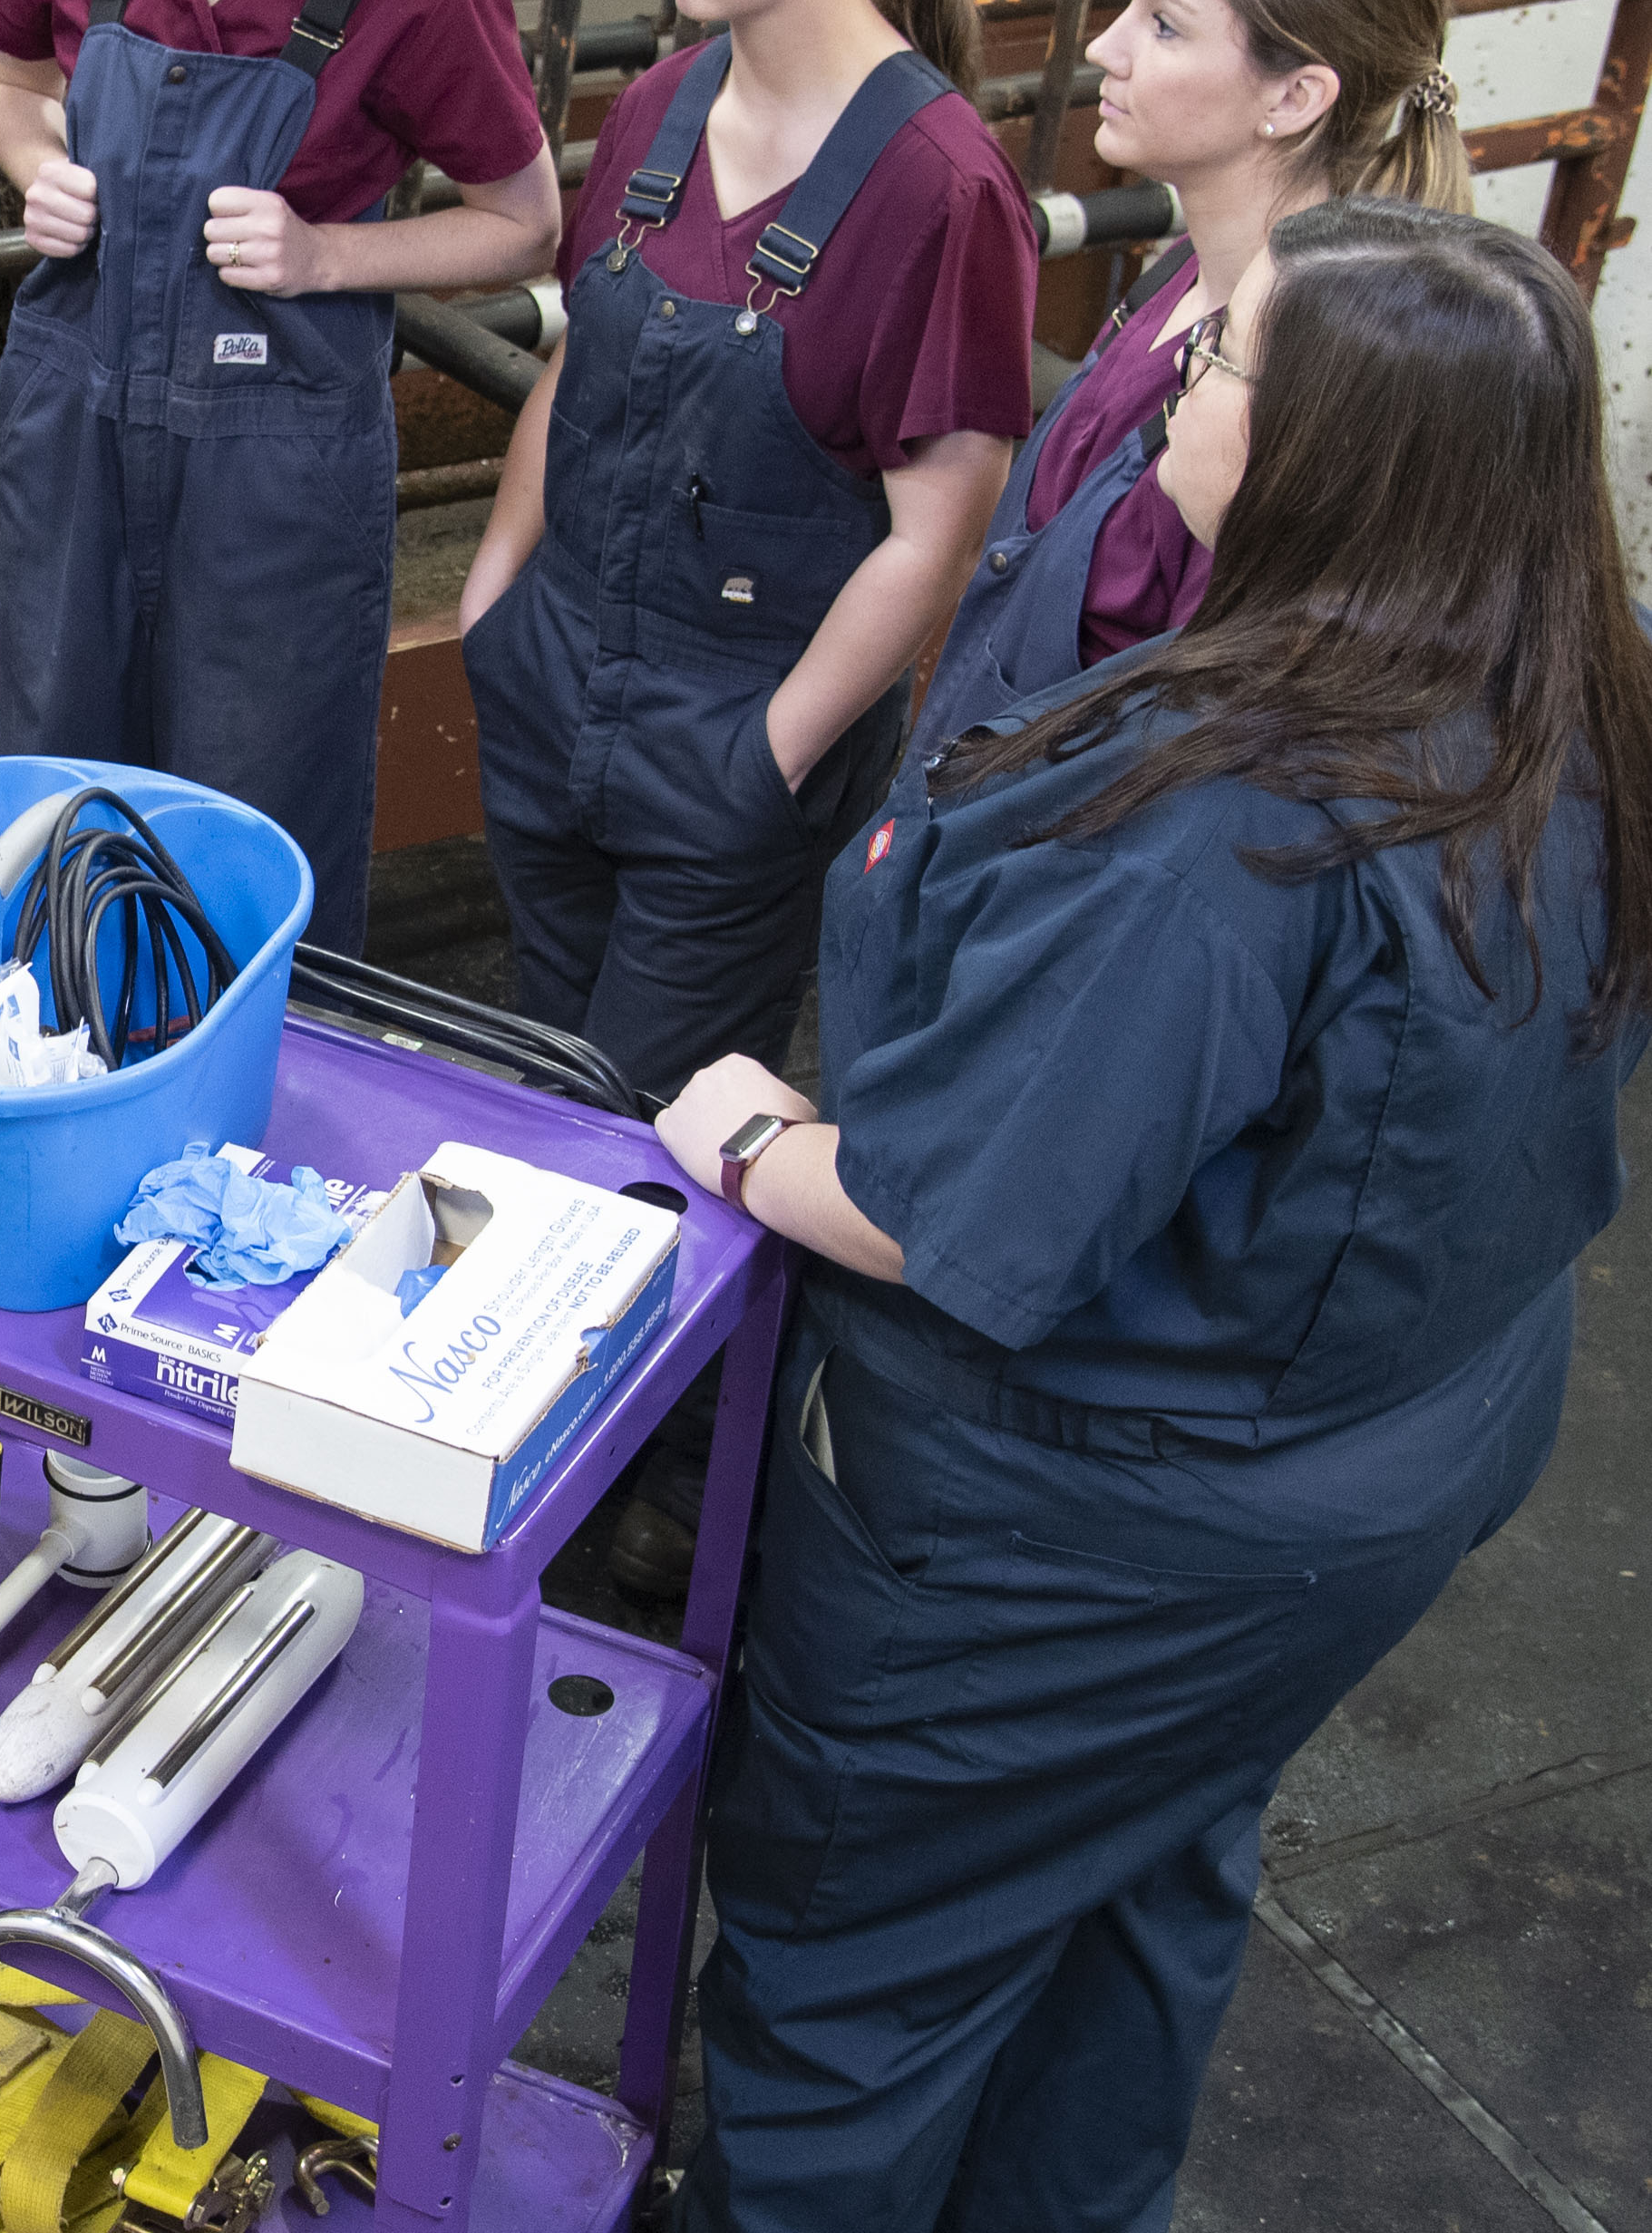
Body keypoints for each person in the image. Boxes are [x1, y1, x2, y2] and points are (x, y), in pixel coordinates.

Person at [650, 199, 1652, 2233]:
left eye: (1215, 360)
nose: (1170, 384)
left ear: (1321, 456)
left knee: (854, 1968)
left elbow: (958, 1222)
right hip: (1385, 1453)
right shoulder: (1563, 699)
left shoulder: (1219, 832)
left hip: (1075, 1538)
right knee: (1139, 1877)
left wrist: (746, 1135)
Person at [0, 0, 555, 956]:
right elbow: (4, 79)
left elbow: (526, 215)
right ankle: (53, 1107)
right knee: (56, 803)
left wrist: (322, 257)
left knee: (251, 817)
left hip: (272, 476)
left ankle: (245, 1143)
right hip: (74, 433)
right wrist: (37, 169)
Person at [457, 0, 1033, 1101]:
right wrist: (493, 602)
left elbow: (935, 528)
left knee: (658, 1143)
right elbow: (574, 370)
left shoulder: (938, 189)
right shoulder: (665, 103)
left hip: (732, 741)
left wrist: (765, 763)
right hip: (556, 693)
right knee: (545, 1079)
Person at [912, 0, 1472, 766]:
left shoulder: (1285, 390)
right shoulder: (1180, 271)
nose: (1103, 47)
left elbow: (1216, 749)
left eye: (1162, 25)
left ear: (1292, 97)